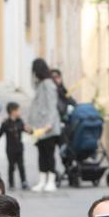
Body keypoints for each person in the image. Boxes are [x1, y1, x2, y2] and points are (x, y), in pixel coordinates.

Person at [24, 58, 63, 194]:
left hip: (47, 127)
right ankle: (42, 180)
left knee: (49, 154)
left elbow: (52, 106)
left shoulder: (48, 84)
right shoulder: (40, 84)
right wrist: (29, 124)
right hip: (39, 128)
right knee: (41, 153)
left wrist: (49, 124)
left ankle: (51, 180)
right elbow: (35, 106)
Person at [0, 102, 27, 191]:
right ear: (12, 111)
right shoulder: (6, 123)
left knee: (21, 165)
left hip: (19, 148)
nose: (20, 112)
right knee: (11, 166)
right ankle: (11, 183)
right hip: (10, 149)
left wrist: (33, 132)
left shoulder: (20, 121)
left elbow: (26, 129)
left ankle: (24, 181)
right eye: (18, 110)